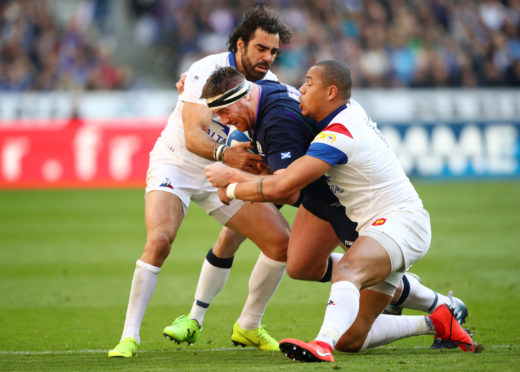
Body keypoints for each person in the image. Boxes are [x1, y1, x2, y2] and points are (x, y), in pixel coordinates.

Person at [205, 61, 479, 362]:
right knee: (351, 338)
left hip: (399, 223)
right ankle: (436, 320)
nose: (302, 90)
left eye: (309, 84)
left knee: (348, 270)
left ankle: (322, 344)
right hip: (371, 227)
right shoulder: (341, 117)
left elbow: (284, 187)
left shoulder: (339, 134)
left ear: (331, 92)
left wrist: (230, 186)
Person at [108, 6, 294, 358]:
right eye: (260, 49)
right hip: (176, 162)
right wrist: (229, 155)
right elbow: (193, 136)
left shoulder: (270, 87)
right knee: (160, 240)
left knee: (282, 244)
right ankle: (129, 336)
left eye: (273, 52)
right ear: (240, 44)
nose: (267, 58)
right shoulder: (205, 69)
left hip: (224, 173)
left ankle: (249, 326)